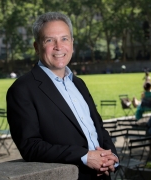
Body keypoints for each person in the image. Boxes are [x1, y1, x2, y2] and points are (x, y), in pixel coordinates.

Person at [6, 12, 118, 180]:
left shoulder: (79, 83)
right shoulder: (22, 89)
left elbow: (98, 129)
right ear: (37, 47)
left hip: (103, 176)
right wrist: (84, 156)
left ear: (72, 44)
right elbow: (30, 146)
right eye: (49, 40)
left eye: (64, 39)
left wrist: (112, 157)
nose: (59, 46)